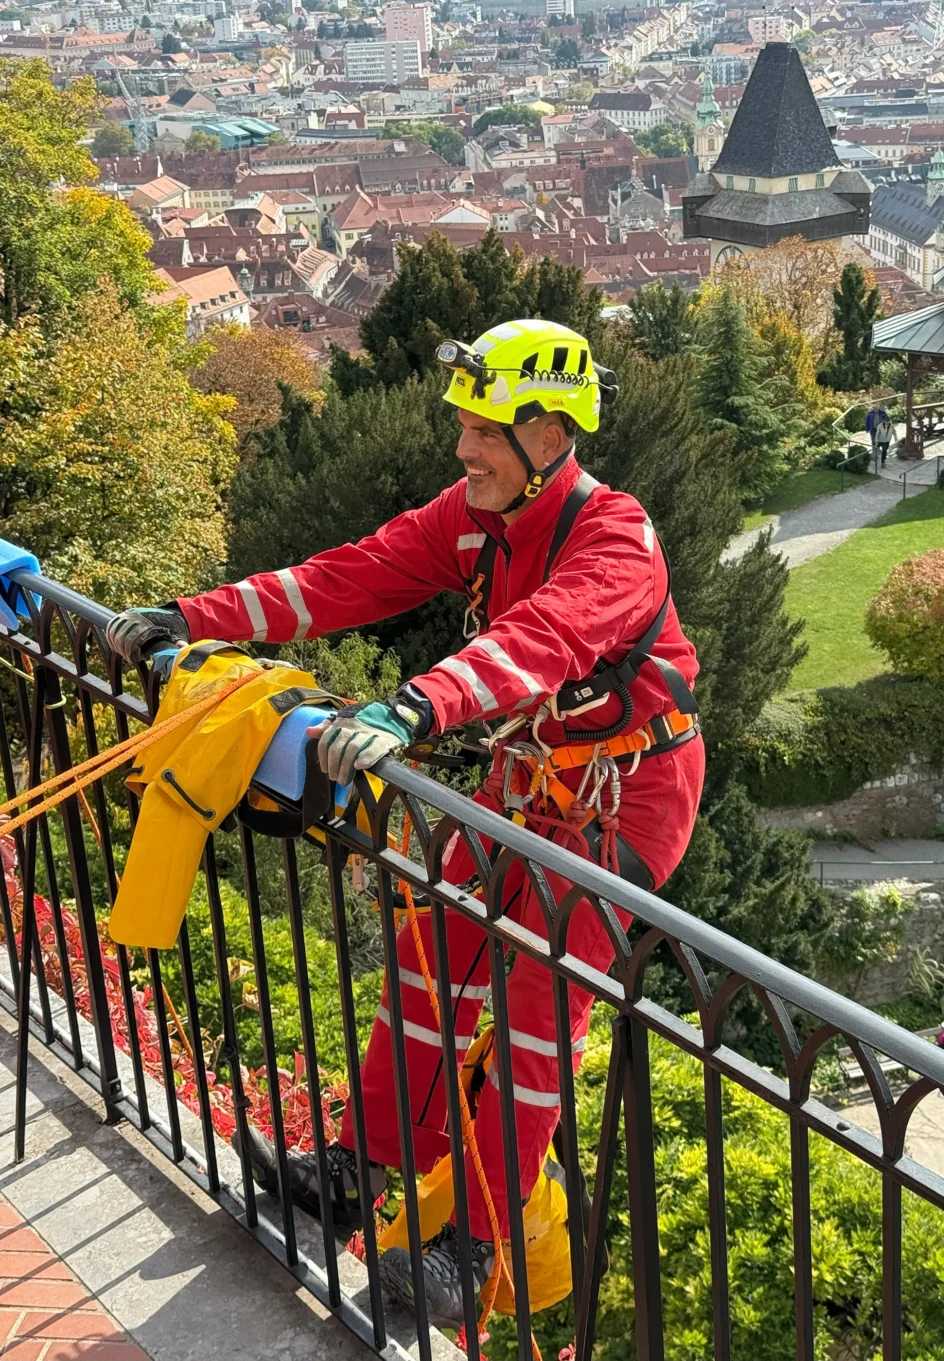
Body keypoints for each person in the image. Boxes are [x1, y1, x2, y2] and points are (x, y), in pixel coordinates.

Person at [105, 319, 706, 1329]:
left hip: (623, 799)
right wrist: (191, 615)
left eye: (484, 429)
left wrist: (414, 707)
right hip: (528, 781)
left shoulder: (615, 536)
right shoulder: (479, 517)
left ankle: (471, 1247)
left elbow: (541, 638)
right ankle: (359, 1165)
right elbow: (352, 574)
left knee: (532, 1010)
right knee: (429, 956)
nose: (463, 448)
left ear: (549, 435)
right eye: (465, 426)